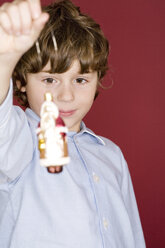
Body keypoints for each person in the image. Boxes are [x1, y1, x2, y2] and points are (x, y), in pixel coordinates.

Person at [0, 0, 146, 247]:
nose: (66, 96)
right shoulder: (17, 140)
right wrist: (5, 59)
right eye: (49, 79)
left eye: (80, 80)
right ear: (21, 81)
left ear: (97, 79)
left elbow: (131, 234)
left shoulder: (111, 155)